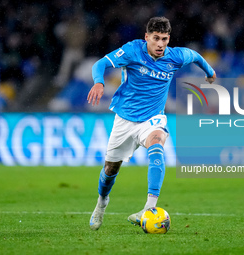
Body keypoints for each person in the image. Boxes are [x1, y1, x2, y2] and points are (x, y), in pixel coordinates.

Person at [87, 17, 216, 230]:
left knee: (157, 147)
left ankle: (148, 209)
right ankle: (101, 203)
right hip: (125, 119)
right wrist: (99, 82)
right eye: (155, 38)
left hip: (152, 118)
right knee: (110, 169)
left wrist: (209, 72)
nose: (160, 44)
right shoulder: (132, 51)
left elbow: (196, 56)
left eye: (164, 39)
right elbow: (99, 64)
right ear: (146, 37)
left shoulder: (175, 56)